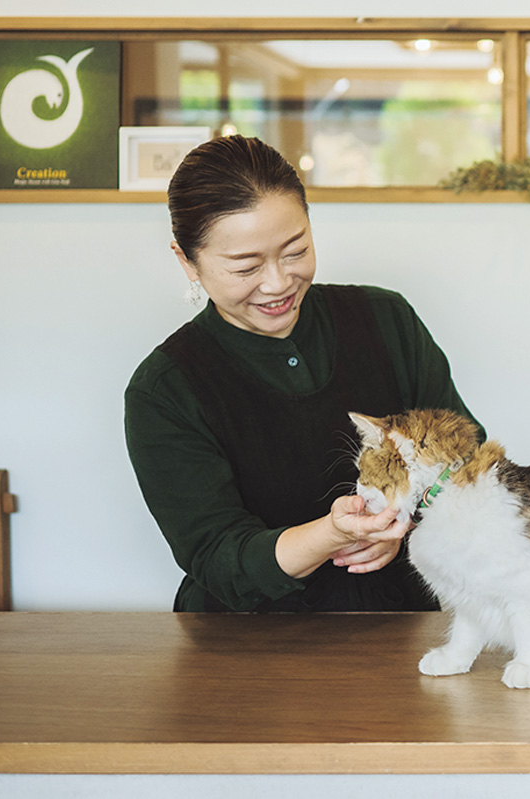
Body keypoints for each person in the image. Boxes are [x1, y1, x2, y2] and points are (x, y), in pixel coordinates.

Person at [124, 134, 483, 612]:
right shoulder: (166, 389)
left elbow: (467, 459)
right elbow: (216, 556)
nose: (277, 283)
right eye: (245, 266)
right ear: (187, 261)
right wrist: (331, 534)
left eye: (295, 251)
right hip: (242, 644)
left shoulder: (386, 320)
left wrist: (405, 526)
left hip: (400, 626)